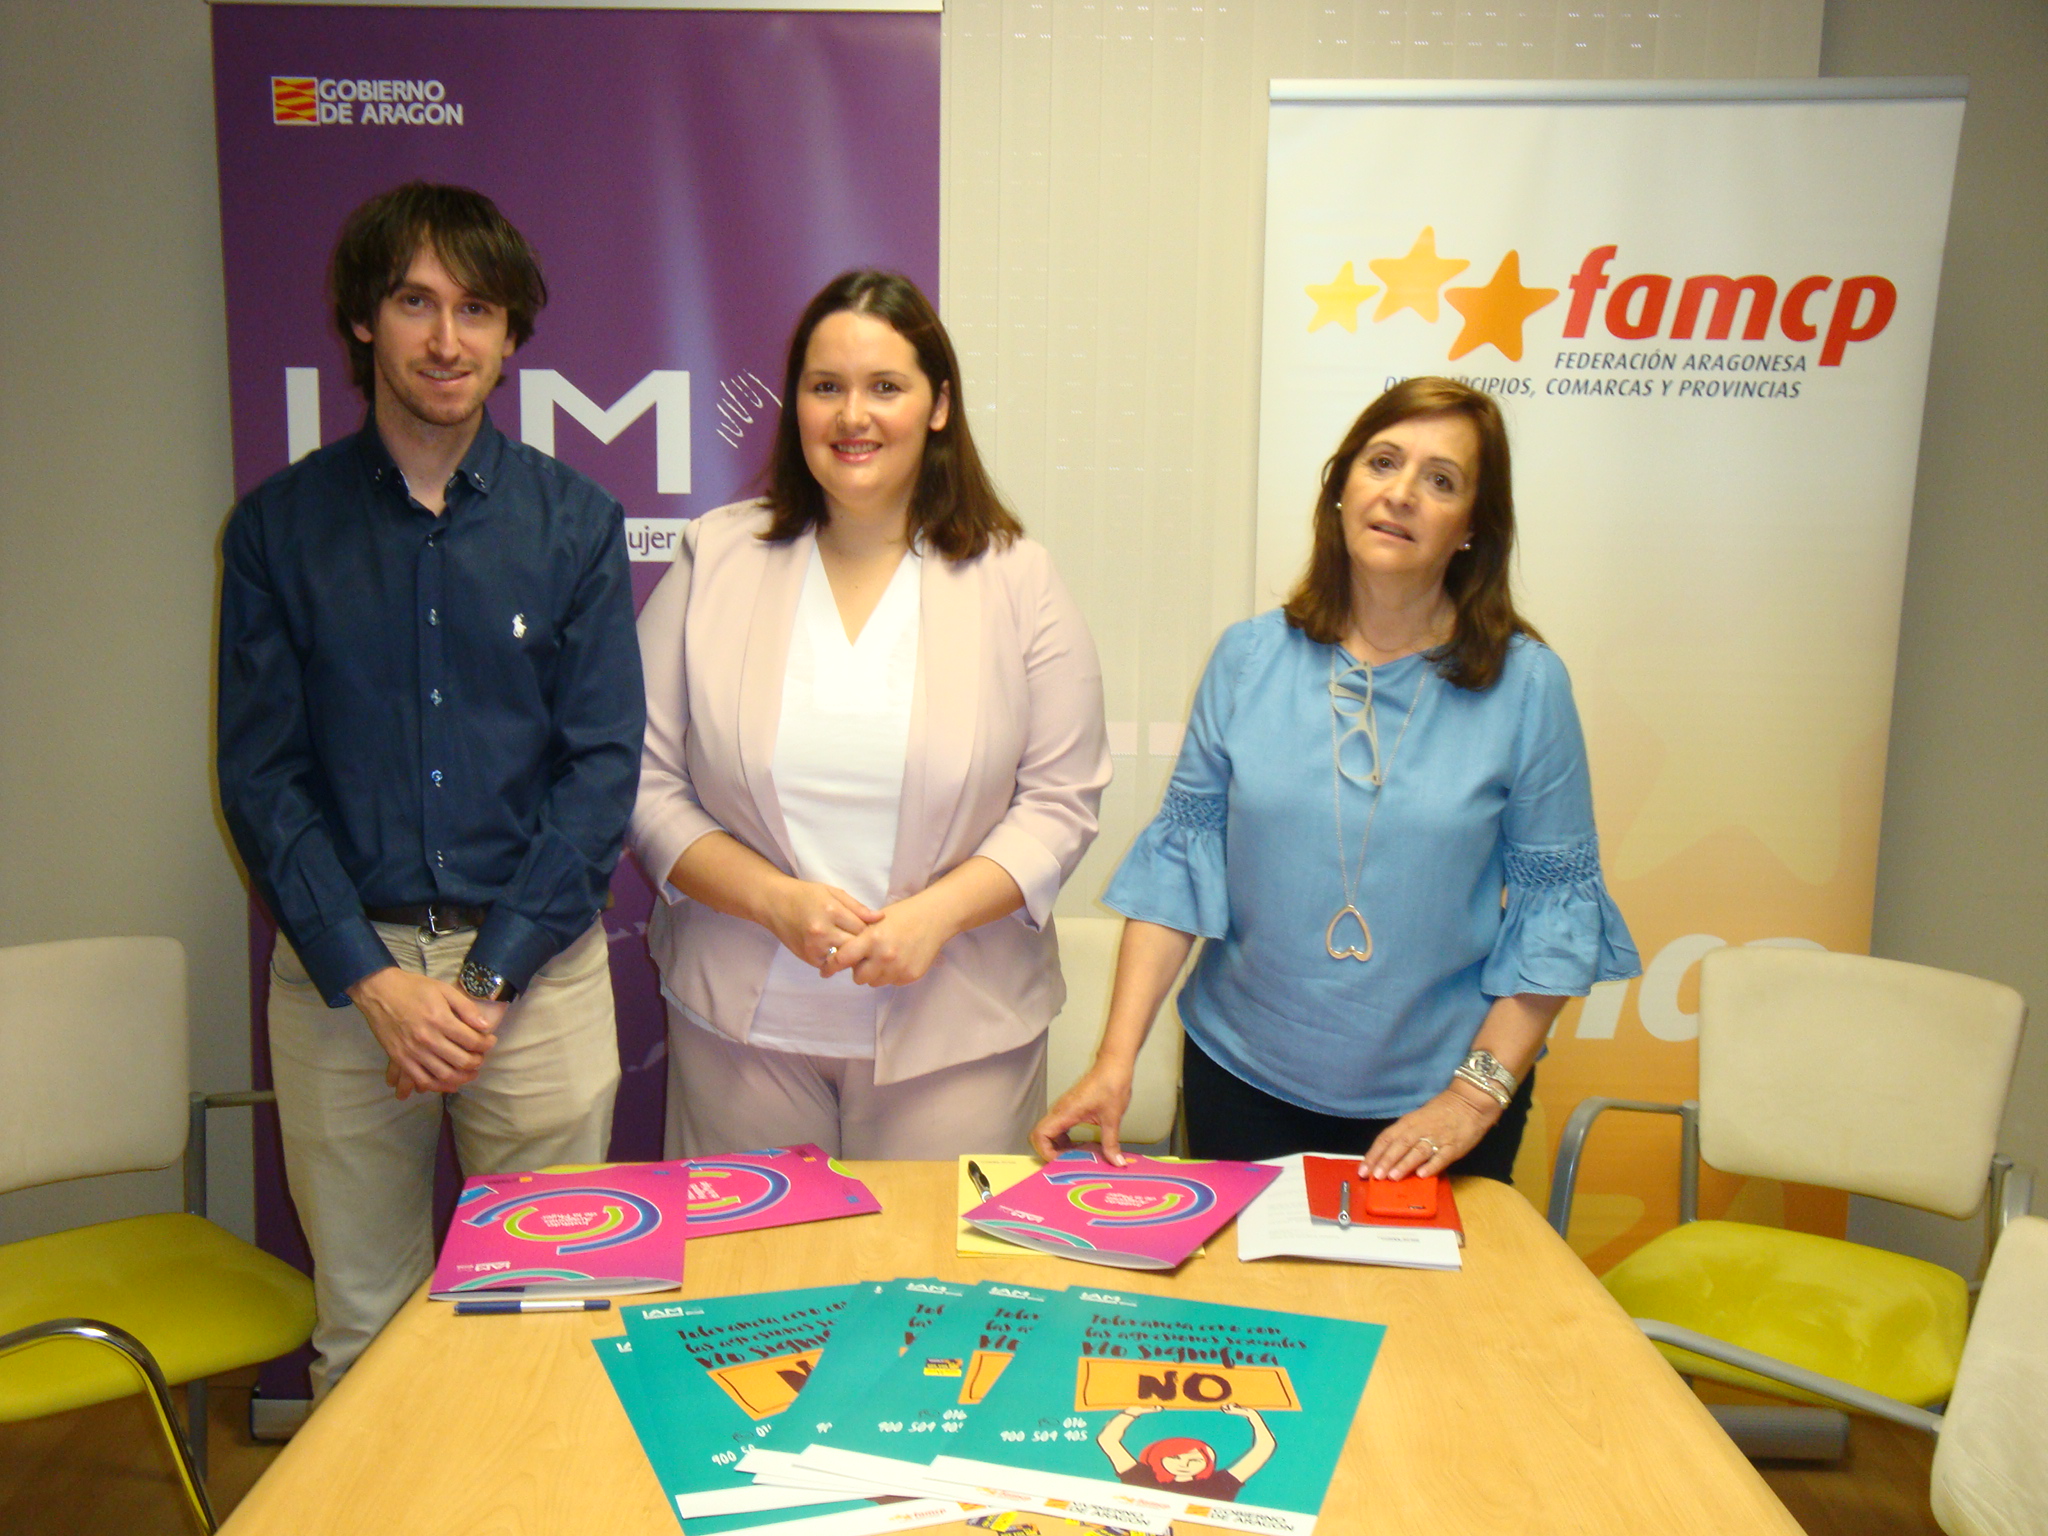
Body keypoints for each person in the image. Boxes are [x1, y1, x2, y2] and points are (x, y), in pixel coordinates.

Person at [217, 182, 643, 1396]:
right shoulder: (276, 532)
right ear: (363, 321)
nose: (446, 340)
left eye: (476, 308)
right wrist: (377, 981)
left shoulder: (576, 529)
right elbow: (261, 776)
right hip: (345, 995)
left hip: (536, 987)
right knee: (364, 1339)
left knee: (547, 1326)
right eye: (415, 302)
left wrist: (485, 978)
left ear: (512, 335)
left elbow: (599, 770)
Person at [1033, 377, 1638, 1181]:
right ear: (1341, 490)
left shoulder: (1527, 688)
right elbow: (1180, 874)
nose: (1402, 493)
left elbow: (1554, 924)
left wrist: (1473, 1097)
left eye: (1442, 480)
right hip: (1239, 1081)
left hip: (1441, 1111)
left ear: (1471, 531)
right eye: (1383, 462)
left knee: (1439, 1314)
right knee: (1252, 1312)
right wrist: (1116, 1061)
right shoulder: (1247, 659)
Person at [630, 269, 1110, 1159]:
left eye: (885, 387)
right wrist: (773, 901)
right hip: (744, 1035)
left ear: (938, 406)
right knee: (759, 1293)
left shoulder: (1016, 578)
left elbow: (1062, 798)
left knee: (947, 1291)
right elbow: (644, 783)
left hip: (959, 1033)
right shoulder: (717, 557)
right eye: (826, 388)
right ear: (796, 407)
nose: (854, 415)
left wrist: (937, 916)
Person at [1098, 1404, 1275, 1501]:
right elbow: (1108, 1440)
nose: (1184, 1464)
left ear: (1207, 1462)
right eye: (1174, 1457)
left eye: (1195, 1459)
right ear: (1159, 1459)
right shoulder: (1143, 1478)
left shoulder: (1218, 1485)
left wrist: (1253, 1416)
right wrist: (1132, 1412)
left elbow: (1263, 1449)